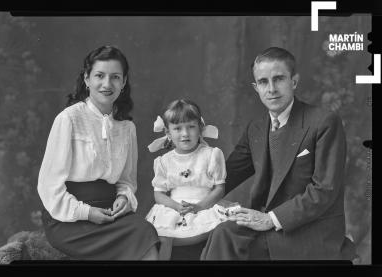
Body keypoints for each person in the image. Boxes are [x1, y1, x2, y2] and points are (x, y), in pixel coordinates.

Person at [200, 47, 356, 260]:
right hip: (266, 224)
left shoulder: (323, 122)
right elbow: (226, 174)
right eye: (263, 82)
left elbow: (324, 191)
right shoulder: (256, 128)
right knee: (221, 232)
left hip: (308, 230)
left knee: (226, 238)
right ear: (256, 88)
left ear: (294, 81)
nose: (271, 88)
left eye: (279, 79)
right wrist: (188, 188)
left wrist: (270, 219)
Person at [37, 45, 159, 260]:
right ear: (87, 79)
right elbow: (48, 186)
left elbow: (126, 180)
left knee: (145, 231)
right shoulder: (69, 119)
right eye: (99, 76)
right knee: (139, 236)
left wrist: (123, 196)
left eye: (115, 77)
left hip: (109, 212)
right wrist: (86, 212)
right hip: (69, 218)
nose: (106, 84)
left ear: (123, 82)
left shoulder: (127, 128)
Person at [146, 99, 229, 260]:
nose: (185, 134)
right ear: (168, 133)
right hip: (175, 206)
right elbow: (159, 194)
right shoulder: (164, 161)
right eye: (177, 128)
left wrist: (198, 207)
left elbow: (219, 188)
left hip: (204, 204)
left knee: (219, 231)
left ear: (200, 129)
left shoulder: (210, 155)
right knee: (163, 237)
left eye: (191, 126)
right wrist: (176, 206)